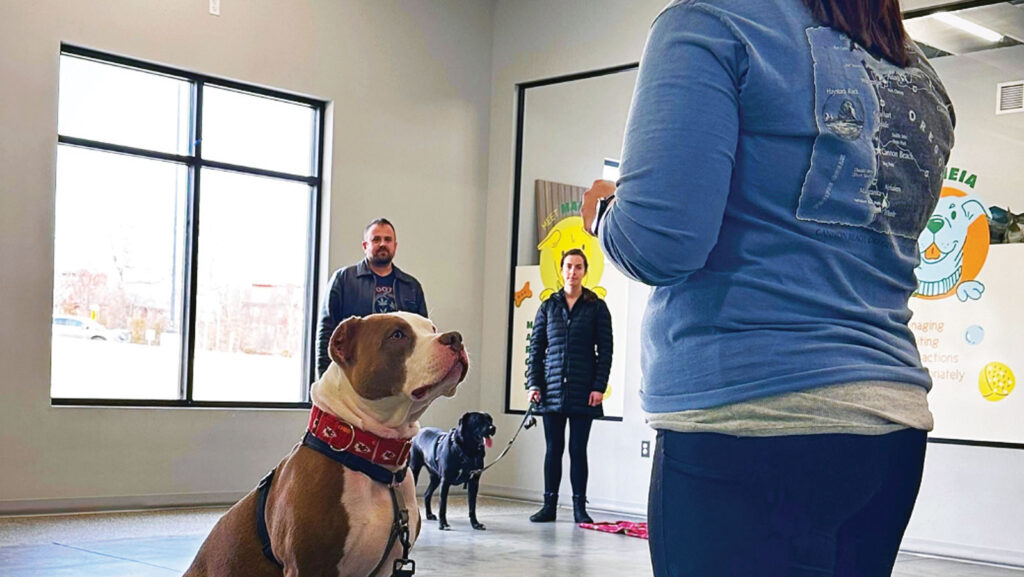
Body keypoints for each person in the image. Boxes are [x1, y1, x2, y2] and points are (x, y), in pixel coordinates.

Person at [582, 0, 955, 575]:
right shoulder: (917, 70)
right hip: (888, 427)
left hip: (748, 420)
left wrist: (603, 216)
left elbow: (659, 244)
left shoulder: (712, 24)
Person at [526, 248, 613, 524]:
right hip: (551, 391)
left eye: (578, 267)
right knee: (553, 449)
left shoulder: (596, 307)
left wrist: (598, 386)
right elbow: (536, 349)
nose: (572, 272)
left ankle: (579, 508)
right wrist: (534, 384)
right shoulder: (548, 306)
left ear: (585, 272)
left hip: (583, 391)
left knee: (578, 449)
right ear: (561, 270)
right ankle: (548, 506)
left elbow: (606, 351)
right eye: (568, 266)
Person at [316, 218, 428, 377]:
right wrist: (324, 377)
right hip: (355, 376)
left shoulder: (411, 286)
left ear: (395, 246)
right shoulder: (344, 280)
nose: (382, 244)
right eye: (376, 239)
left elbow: (422, 336)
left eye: (387, 239)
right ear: (365, 246)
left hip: (399, 376)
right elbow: (326, 332)